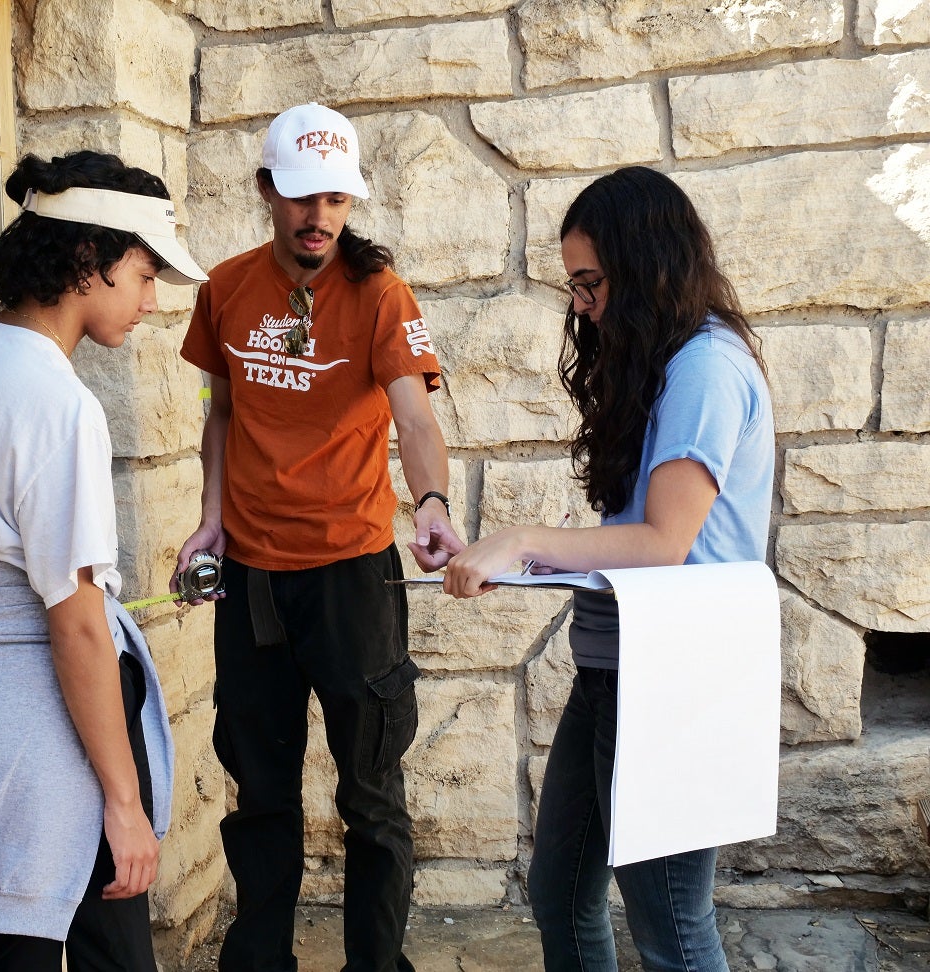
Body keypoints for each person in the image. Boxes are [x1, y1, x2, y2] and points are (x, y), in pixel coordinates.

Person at [443, 166, 773, 971]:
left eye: (590, 283)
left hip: (669, 680)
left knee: (671, 927)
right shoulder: (667, 362)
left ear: (646, 263)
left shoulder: (705, 367)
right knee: (561, 895)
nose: (581, 304)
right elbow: (647, 532)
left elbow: (665, 541)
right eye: (575, 285)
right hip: (614, 672)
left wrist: (522, 540)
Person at [174, 102, 463, 972]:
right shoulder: (224, 288)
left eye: (336, 199)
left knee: (372, 795)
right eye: (303, 197)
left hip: (352, 581)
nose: (319, 217)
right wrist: (211, 517)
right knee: (261, 793)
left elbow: (413, 416)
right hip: (254, 583)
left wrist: (434, 501)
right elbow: (220, 412)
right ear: (266, 190)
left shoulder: (379, 294)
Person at [0, 151, 207, 972]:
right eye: (143, 274)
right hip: (40, 730)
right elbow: (74, 625)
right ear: (86, 260)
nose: (151, 301)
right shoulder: (58, 402)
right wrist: (122, 800)